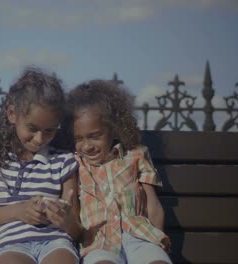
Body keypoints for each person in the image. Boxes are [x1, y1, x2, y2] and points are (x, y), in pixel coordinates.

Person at [0, 68, 82, 264]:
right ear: (12, 114)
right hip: (10, 244)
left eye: (50, 130)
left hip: (56, 242)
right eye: (32, 128)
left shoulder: (64, 161)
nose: (39, 139)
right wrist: (19, 211)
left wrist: (65, 219)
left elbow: (76, 230)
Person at [65, 80, 172, 264]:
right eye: (79, 139)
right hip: (100, 244)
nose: (87, 146)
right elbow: (73, 214)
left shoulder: (136, 155)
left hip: (141, 238)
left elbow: (153, 205)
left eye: (95, 136)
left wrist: (157, 244)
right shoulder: (75, 165)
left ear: (113, 129)